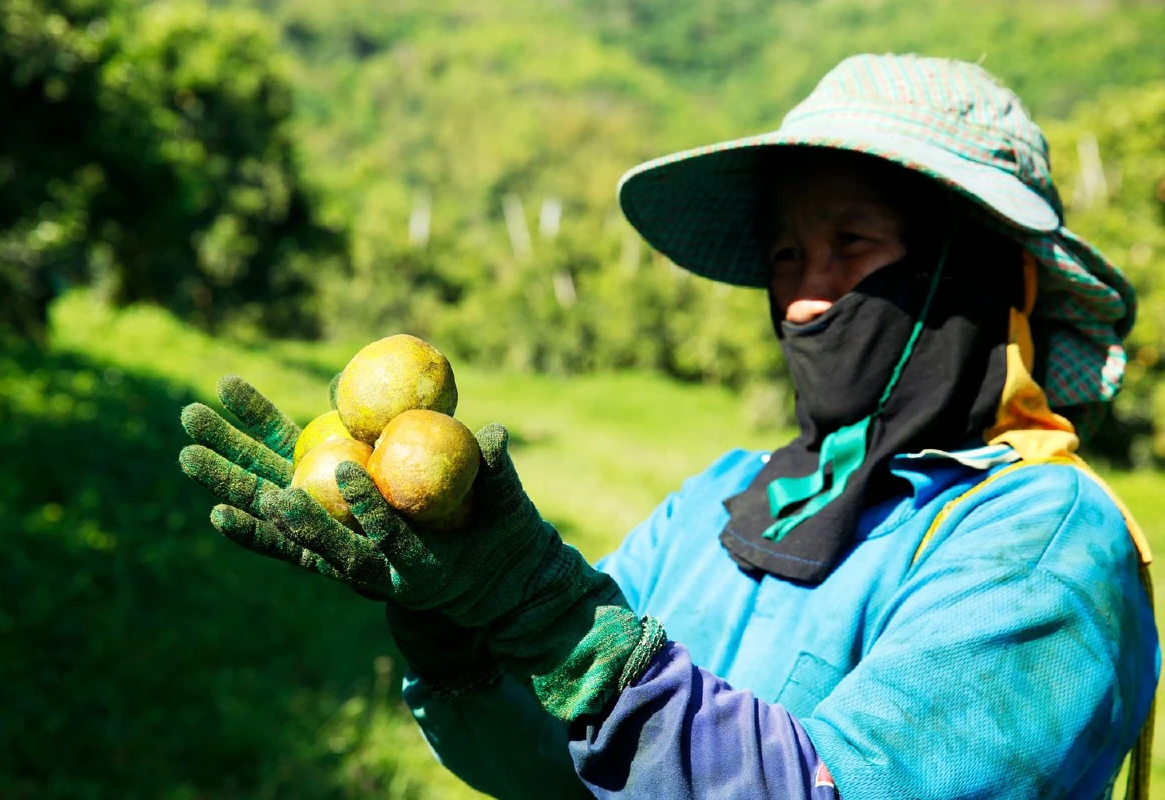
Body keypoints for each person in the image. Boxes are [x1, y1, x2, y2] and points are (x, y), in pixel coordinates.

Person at [178, 54, 1159, 798]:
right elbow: (557, 765)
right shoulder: (728, 496)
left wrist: (567, 631)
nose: (806, 298)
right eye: (785, 253)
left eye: (851, 244)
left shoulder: (1044, 539)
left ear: (974, 271)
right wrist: (461, 635)